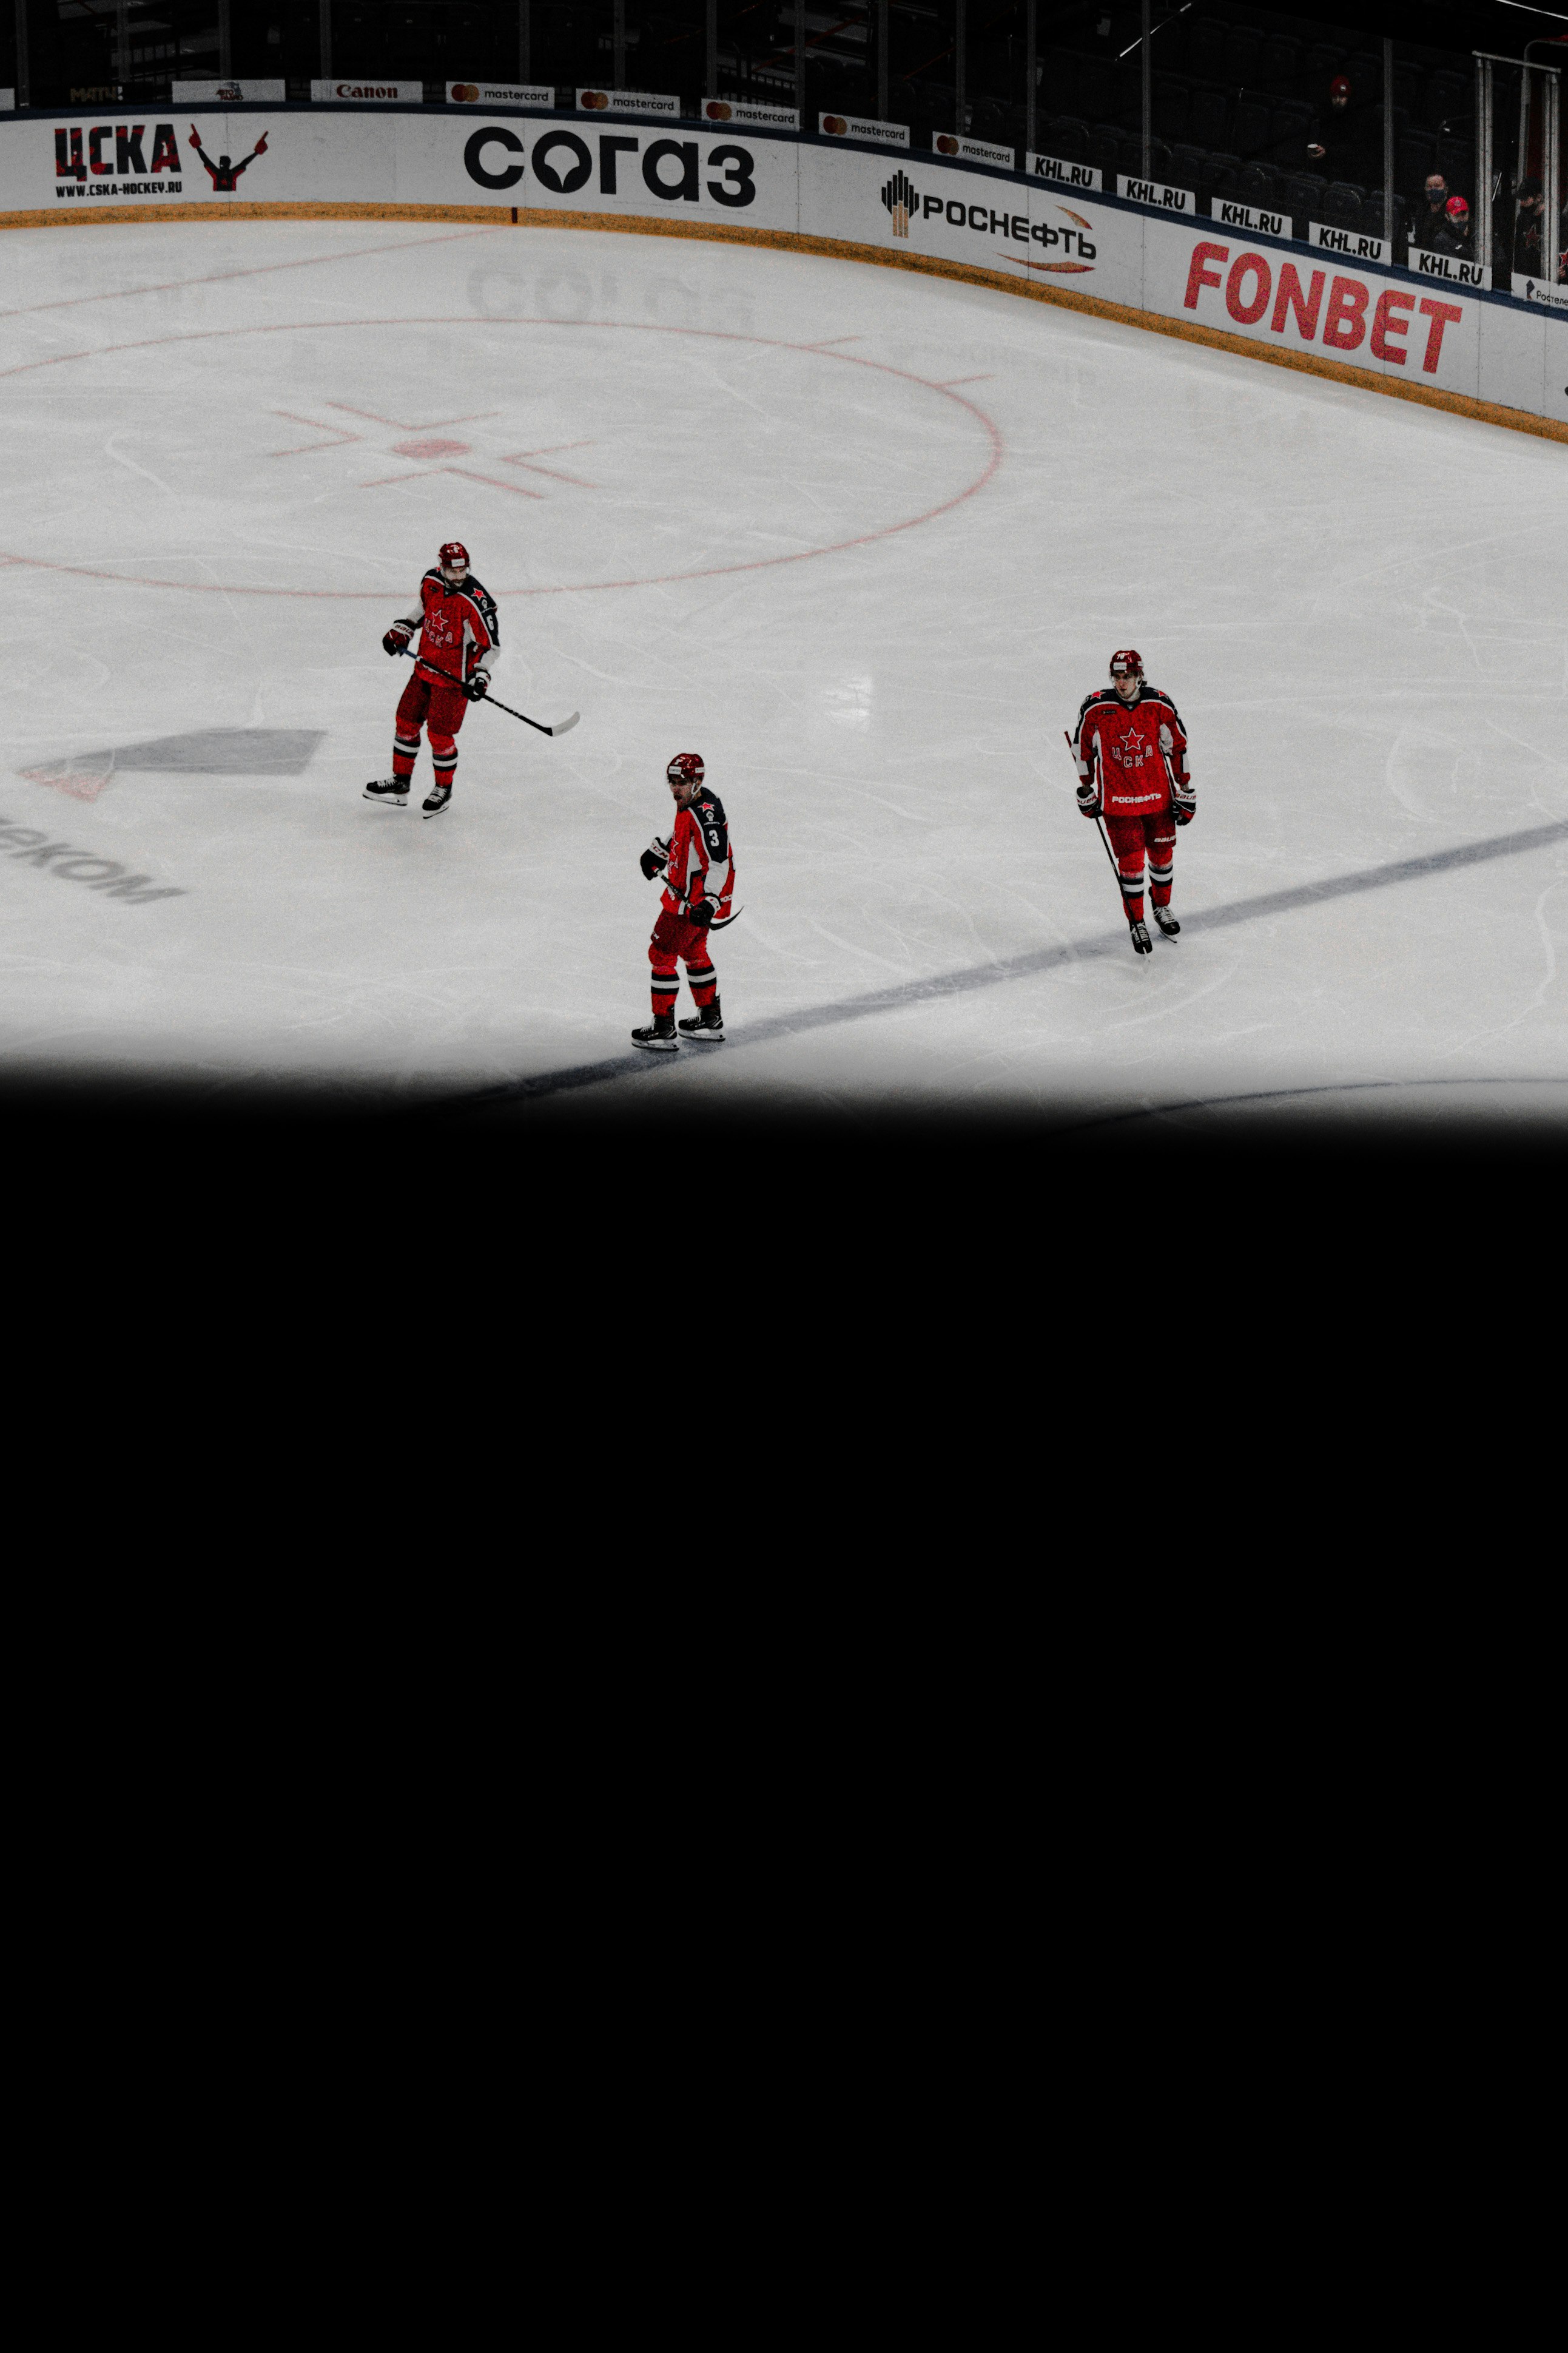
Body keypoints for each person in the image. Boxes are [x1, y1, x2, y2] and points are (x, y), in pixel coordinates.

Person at [365, 541, 500, 817]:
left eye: (463, 572)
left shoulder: (476, 601)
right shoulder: (431, 581)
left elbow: (491, 646)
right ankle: (401, 783)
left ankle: (443, 789)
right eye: (453, 572)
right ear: (442, 567)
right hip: (424, 669)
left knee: (440, 735)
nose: (458, 578)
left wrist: (481, 675)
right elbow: (423, 610)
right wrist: (403, 629)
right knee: (406, 721)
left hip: (453, 681)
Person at [1071, 651, 1192, 957]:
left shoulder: (1158, 704)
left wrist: (1186, 789)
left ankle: (1162, 907)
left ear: (1139, 676)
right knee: (1131, 864)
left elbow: (1177, 746)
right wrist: (1086, 791)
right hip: (1118, 803)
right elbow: (1083, 751)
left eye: (1127, 676)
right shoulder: (1097, 707)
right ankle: (1136, 921)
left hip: (1158, 800)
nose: (1121, 683)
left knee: (1163, 857)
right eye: (1117, 677)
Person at [632, 755, 736, 1049]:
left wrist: (710, 903)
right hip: (689, 895)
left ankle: (663, 1027)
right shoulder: (693, 803)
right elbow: (683, 834)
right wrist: (660, 851)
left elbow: (719, 861)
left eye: (682, 783)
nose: (675, 789)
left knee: (661, 954)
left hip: (691, 901)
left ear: (697, 782)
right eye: (672, 782)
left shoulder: (706, 815)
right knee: (694, 951)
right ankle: (709, 1018)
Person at [189, 125, 268, 189]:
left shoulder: (217, 173)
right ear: (229, 164)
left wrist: (198, 148)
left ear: (220, 164)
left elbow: (206, 160)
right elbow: (244, 164)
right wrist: (256, 153)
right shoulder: (232, 174)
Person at [1513, 178, 1546, 277]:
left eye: (1525, 199)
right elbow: (1518, 248)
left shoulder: (1554, 222)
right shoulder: (1522, 218)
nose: (1522, 203)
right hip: (1523, 275)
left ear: (1539, 198)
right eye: (1521, 199)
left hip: (1544, 278)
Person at [1413, 170, 1451, 250]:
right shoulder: (1422, 210)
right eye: (1429, 187)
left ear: (1446, 189)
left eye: (1437, 186)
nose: (1433, 189)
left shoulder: (1453, 212)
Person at [1430, 193, 1473, 257]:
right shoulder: (1442, 240)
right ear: (1447, 217)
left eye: (1464, 214)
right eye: (1457, 215)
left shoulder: (1478, 233)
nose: (1461, 218)